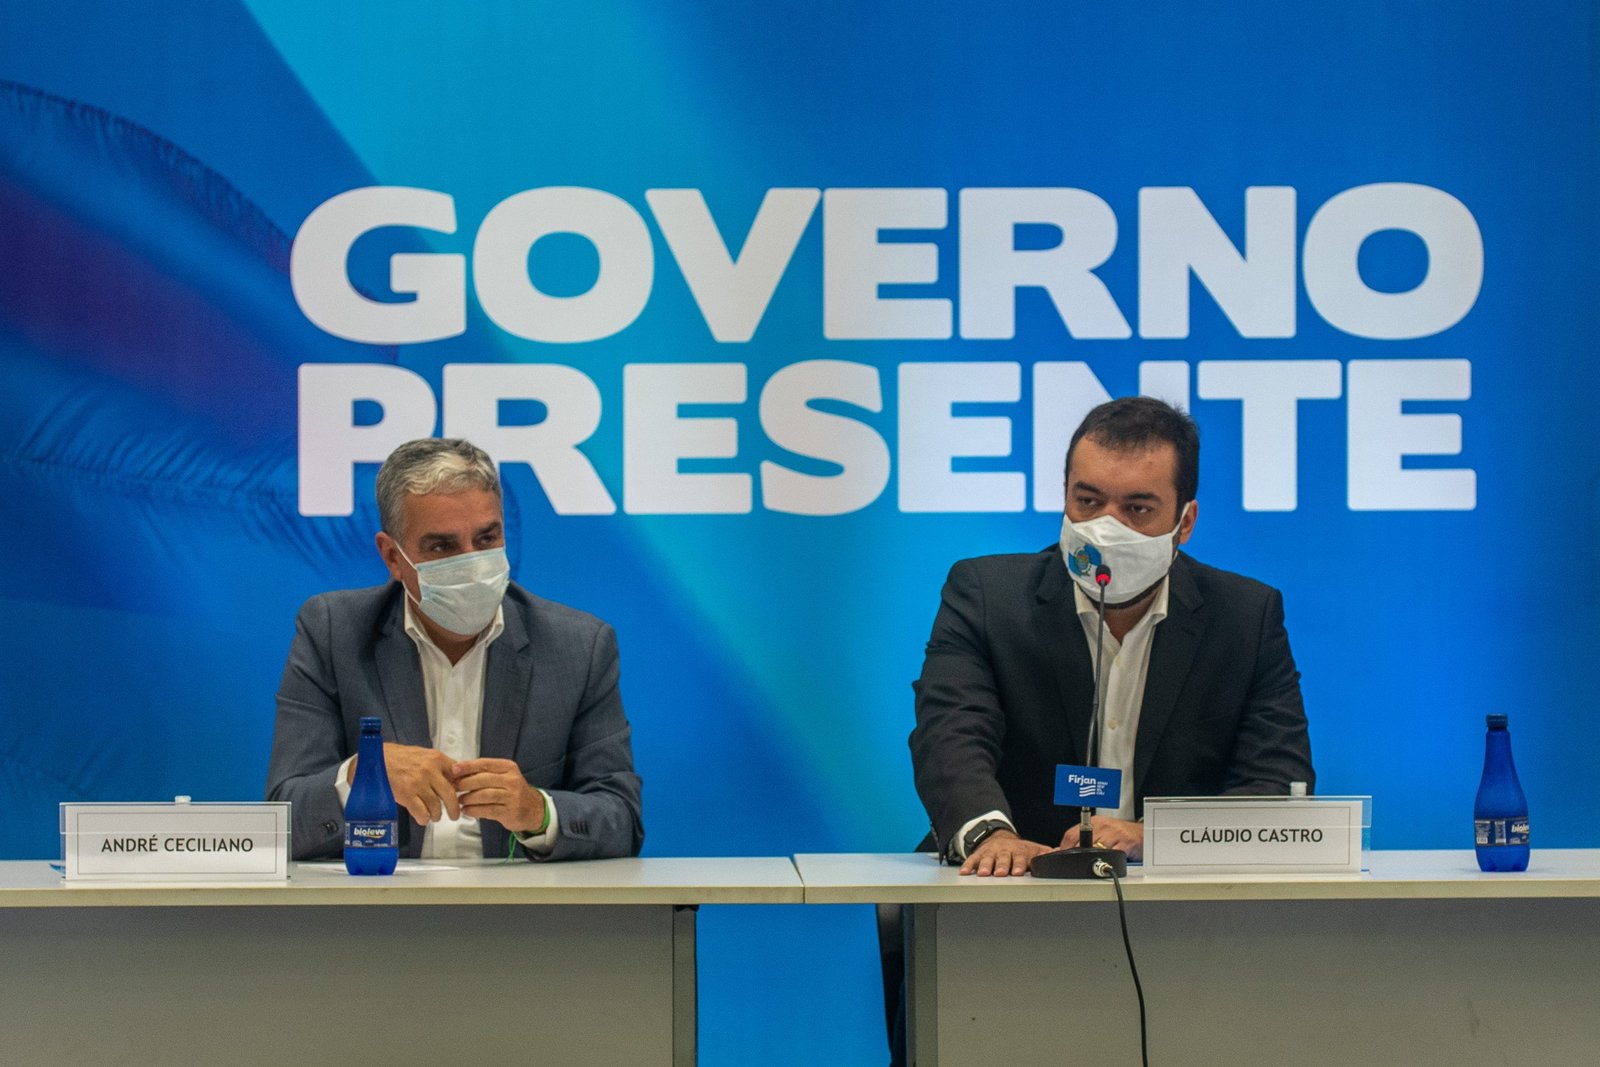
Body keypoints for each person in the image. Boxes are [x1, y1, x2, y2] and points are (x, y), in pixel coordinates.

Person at [910, 396, 1313, 876]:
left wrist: (1155, 835)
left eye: (1137, 508)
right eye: (1088, 502)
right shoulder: (986, 597)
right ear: (1065, 497)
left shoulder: (1245, 617)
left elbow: (1275, 779)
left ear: (1184, 522)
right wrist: (992, 836)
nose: (1105, 528)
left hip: (1178, 894)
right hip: (1013, 879)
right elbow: (950, 735)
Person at [267, 438, 643, 862]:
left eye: (486, 538)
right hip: (379, 896)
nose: (472, 563)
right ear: (393, 557)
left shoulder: (578, 646)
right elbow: (284, 821)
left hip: (518, 901)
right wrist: (359, 776)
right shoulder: (334, 633)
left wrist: (538, 812)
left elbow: (622, 819)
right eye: (442, 547)